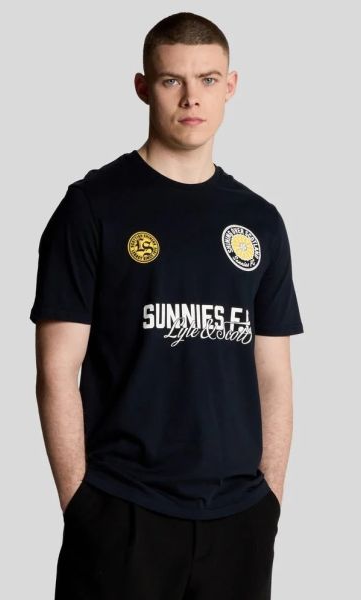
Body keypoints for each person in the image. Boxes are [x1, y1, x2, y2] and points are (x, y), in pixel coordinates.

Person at [30, 11, 304, 600]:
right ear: (143, 87)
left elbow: (273, 374)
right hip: (122, 511)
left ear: (231, 86)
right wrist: (82, 505)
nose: (191, 98)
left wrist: (270, 499)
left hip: (239, 519)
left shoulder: (259, 220)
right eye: (171, 80)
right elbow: (56, 369)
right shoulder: (92, 207)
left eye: (208, 79)